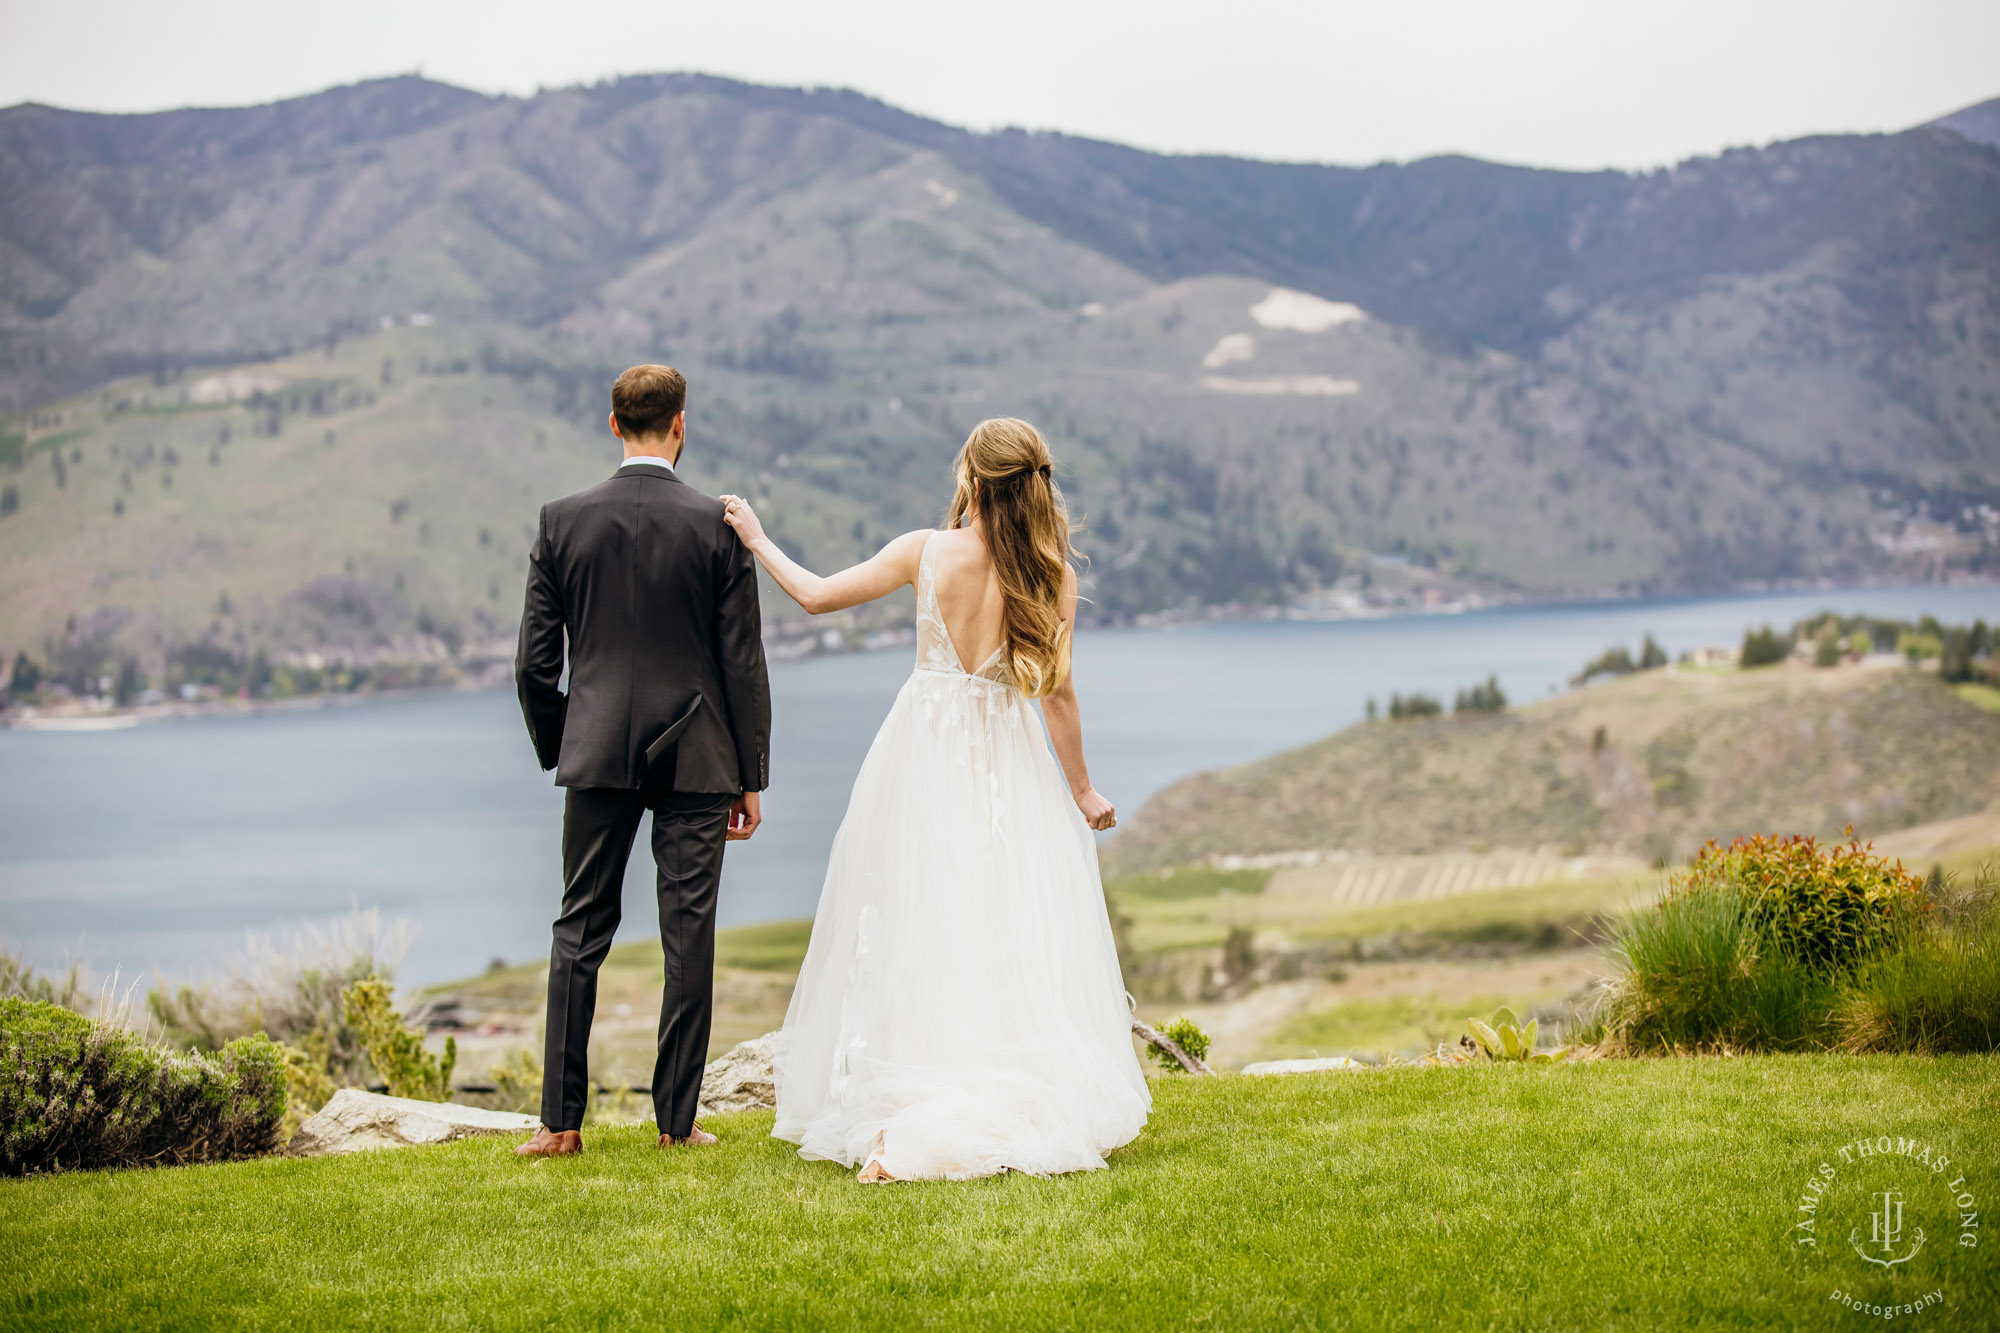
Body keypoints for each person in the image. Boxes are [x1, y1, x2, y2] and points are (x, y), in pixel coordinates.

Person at [722, 417, 1149, 1182]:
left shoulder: (926, 551)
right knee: (1001, 922)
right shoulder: (1054, 574)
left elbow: (817, 596)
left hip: (922, 753)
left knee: (919, 919)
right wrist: (1081, 788)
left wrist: (755, 536)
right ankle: (999, 1088)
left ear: (975, 480)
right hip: (1006, 759)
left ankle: (914, 1102)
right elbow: (1058, 694)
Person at [513, 365, 770, 1158]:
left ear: (614, 423)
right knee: (686, 937)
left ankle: (560, 1125)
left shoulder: (562, 521)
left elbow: (532, 666)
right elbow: (743, 663)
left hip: (595, 754)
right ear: (680, 424)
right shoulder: (716, 526)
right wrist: (751, 775)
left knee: (578, 930)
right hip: (700, 758)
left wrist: (570, 739)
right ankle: (676, 1122)